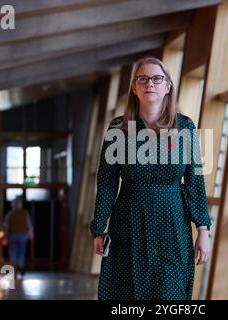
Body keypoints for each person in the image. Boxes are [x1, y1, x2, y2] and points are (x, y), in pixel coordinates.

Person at [89, 57, 212, 300]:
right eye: (142, 79)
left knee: (170, 294)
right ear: (134, 87)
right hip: (128, 225)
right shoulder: (118, 129)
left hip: (173, 225)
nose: (150, 84)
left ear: (168, 86)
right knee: (128, 294)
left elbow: (195, 182)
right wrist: (98, 228)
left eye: (157, 78)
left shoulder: (185, 128)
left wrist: (203, 230)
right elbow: (106, 183)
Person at [3, 196, 34, 279]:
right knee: (22, 251)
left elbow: (6, 226)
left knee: (13, 252)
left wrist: (5, 236)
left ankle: (14, 268)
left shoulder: (10, 214)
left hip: (12, 235)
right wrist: (31, 235)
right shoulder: (25, 213)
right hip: (23, 235)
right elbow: (29, 225)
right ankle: (20, 264)